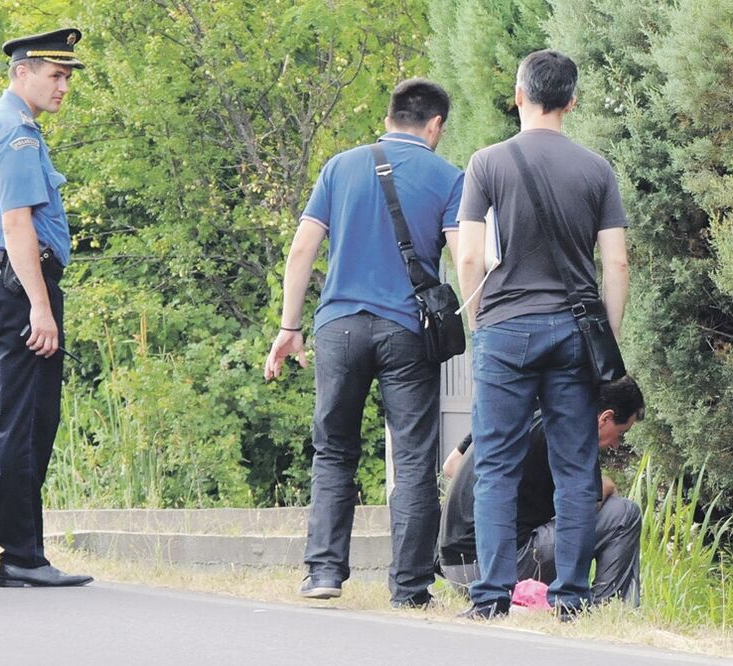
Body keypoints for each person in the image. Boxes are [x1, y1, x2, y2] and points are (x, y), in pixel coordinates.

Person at [264, 79, 463, 608]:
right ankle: (410, 587)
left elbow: (303, 247)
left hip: (339, 327)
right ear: (435, 124)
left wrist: (289, 328)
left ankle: (324, 572)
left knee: (333, 450)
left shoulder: (340, 166)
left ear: (389, 114)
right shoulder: (448, 177)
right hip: (406, 331)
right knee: (416, 457)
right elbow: (466, 259)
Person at [455, 50, 630, 618]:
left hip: (505, 327)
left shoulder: (487, 163)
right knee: (576, 469)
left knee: (497, 464)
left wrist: (481, 321)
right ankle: (571, 598)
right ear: (572, 101)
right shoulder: (597, 169)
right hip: (575, 332)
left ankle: (490, 598)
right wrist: (606, 339)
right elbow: (617, 266)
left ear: (519, 94)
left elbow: (470, 259)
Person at [0, 29, 93, 588]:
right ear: (21, 73)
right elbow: (16, 223)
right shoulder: (18, 132)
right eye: (55, 75)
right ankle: (24, 558)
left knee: (4, 420)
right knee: (27, 423)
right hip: (15, 282)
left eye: (67, 78)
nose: (63, 87)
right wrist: (40, 306)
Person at [439, 376, 645, 607]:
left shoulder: (524, 408)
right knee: (624, 513)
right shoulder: (572, 432)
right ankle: (609, 606)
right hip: (498, 568)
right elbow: (584, 506)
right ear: (605, 418)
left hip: (457, 567)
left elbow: (451, 466)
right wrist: (607, 486)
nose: (617, 445)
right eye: (621, 433)